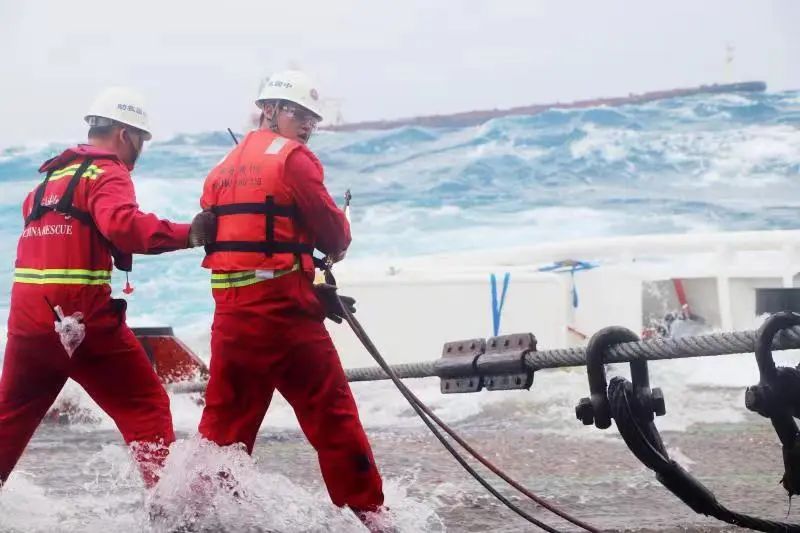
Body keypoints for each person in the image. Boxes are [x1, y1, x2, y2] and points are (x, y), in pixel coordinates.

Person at [197, 70, 387, 528]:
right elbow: (331, 230)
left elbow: (234, 241)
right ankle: (371, 517)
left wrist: (300, 276)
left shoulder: (220, 168)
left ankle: (200, 514)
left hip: (231, 321)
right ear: (269, 110)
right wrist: (333, 247)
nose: (306, 125)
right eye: (297, 113)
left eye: (311, 119)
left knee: (223, 433)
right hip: (284, 321)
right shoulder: (294, 159)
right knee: (333, 417)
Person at [0, 87, 217, 489]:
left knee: (9, 420)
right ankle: (169, 508)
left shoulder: (50, 180)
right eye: (140, 141)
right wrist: (192, 233)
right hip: (80, 324)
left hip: (28, 324)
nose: (139, 151)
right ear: (124, 135)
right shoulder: (108, 171)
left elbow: (69, 237)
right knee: (145, 406)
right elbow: (124, 227)